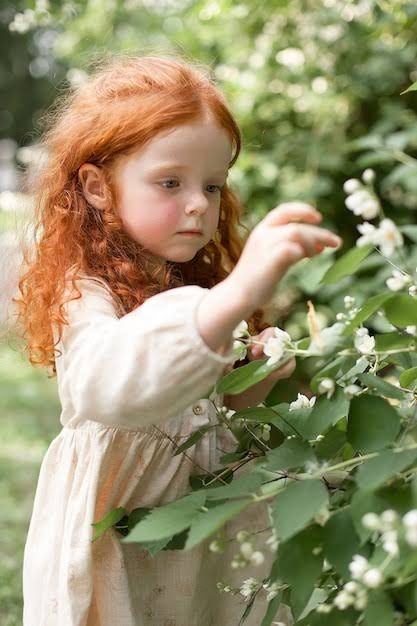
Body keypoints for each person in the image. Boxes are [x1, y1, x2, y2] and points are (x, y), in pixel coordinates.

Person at [16, 54, 342, 626]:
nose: (199, 204)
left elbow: (207, 410)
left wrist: (253, 376)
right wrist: (231, 298)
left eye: (212, 186)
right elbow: (107, 387)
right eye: (171, 182)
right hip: (119, 536)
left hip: (199, 533)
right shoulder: (84, 290)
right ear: (97, 187)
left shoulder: (190, 280)